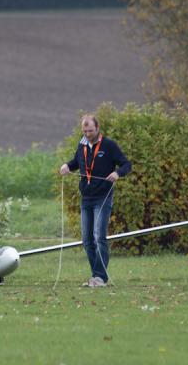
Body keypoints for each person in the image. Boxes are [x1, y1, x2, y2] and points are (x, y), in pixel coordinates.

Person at [60, 114, 131, 287]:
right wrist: (67, 166)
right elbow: (77, 162)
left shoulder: (108, 145)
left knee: (99, 237)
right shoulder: (82, 144)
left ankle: (101, 277)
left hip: (103, 197)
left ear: (97, 128)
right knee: (87, 240)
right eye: (84, 131)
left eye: (90, 130)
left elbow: (126, 164)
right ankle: (96, 276)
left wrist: (117, 173)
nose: (87, 134)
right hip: (86, 198)